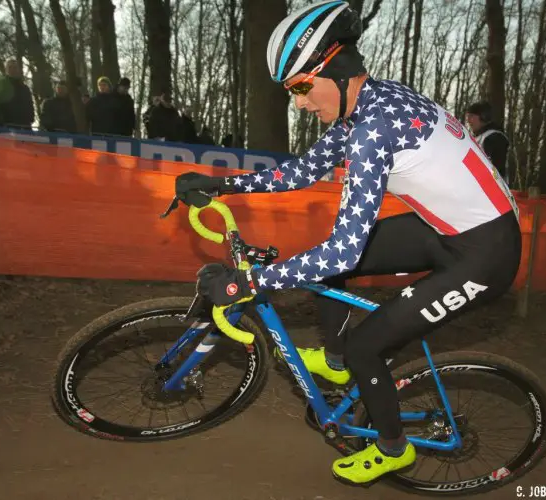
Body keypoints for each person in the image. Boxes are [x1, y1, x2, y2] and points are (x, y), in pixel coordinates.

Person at [175, 0, 522, 486]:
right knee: (327, 265)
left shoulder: (372, 129)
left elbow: (345, 248)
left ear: (335, 71)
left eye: (300, 87)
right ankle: (337, 365)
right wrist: (223, 184)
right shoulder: (371, 101)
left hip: (485, 255)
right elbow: (304, 170)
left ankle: (392, 447)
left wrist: (250, 282)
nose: (298, 103)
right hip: (447, 228)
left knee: (366, 340)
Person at [465, 100, 510, 182]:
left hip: (492, 189)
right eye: (467, 117)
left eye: (471, 116)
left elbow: (496, 170)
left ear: (483, 117)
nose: (468, 120)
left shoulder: (494, 138)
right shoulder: (477, 138)